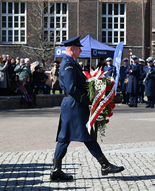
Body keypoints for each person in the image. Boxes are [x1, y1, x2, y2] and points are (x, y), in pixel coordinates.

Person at [51, 36, 124, 181]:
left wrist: (101, 80)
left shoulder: (71, 63)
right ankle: (104, 165)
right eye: (78, 48)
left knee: (67, 137)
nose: (81, 50)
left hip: (73, 105)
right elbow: (72, 87)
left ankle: (56, 169)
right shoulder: (68, 64)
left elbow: (83, 83)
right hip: (75, 104)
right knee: (83, 135)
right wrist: (87, 100)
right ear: (71, 49)